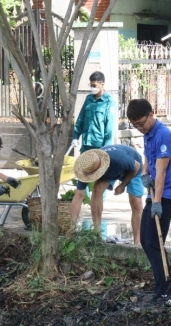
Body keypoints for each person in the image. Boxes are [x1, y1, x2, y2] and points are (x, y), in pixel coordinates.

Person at [127, 99, 171, 305]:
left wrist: (156, 202)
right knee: (146, 241)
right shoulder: (149, 135)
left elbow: (161, 172)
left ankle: (165, 291)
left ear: (151, 115)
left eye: (141, 123)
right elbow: (149, 159)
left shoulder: (163, 134)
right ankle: (161, 286)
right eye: (135, 126)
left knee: (154, 242)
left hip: (167, 197)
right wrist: (144, 173)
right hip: (155, 195)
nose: (140, 128)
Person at [69, 71, 117, 224]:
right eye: (90, 85)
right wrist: (75, 137)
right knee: (83, 185)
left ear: (102, 84)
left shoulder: (109, 102)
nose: (92, 88)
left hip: (100, 151)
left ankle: (98, 224)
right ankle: (84, 222)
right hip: (86, 149)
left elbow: (109, 131)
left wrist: (105, 152)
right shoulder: (89, 99)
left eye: (94, 85)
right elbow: (81, 119)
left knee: (98, 187)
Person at [73, 145, 144, 245]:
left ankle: (138, 242)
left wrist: (123, 185)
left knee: (136, 202)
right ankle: (97, 234)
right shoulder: (86, 168)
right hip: (111, 170)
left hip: (133, 169)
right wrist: (72, 226)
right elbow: (78, 196)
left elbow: (136, 166)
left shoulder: (119, 159)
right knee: (97, 190)